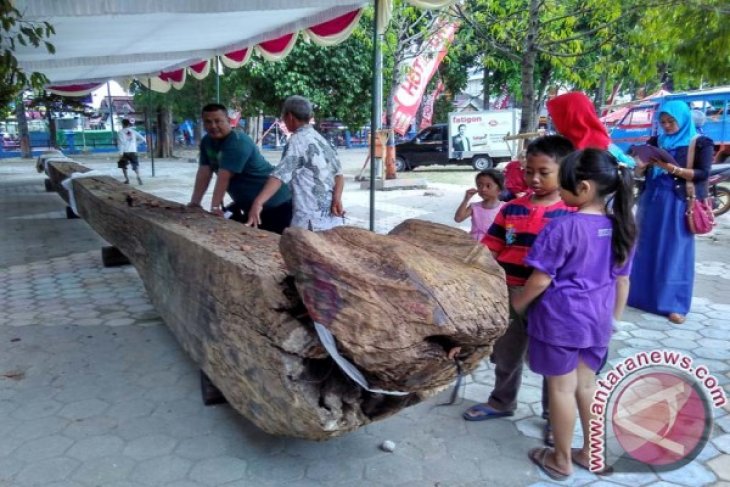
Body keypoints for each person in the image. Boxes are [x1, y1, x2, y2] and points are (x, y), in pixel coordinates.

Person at [512, 148, 636, 480]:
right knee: (586, 387)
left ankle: (561, 459)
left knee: (561, 390)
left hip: (561, 322)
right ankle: (591, 453)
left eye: (563, 184)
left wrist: (517, 305)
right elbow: (622, 280)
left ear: (583, 189)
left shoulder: (563, 228)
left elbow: (540, 280)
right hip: (598, 322)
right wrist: (615, 321)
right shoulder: (622, 227)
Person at [462, 135, 576, 449]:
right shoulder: (512, 208)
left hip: (551, 300)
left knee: (551, 360)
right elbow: (492, 248)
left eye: (544, 172)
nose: (534, 178)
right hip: (510, 293)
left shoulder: (571, 213)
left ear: (565, 171)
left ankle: (554, 417)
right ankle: (502, 401)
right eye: (529, 171)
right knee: (506, 354)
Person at [627, 100, 714, 324]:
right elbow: (639, 169)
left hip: (678, 203)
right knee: (645, 247)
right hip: (651, 199)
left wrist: (670, 168)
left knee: (674, 252)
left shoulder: (701, 143)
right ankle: (640, 297)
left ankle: (674, 305)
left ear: (683, 119)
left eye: (671, 121)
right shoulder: (656, 141)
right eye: (663, 121)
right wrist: (640, 164)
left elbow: (703, 174)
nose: (666, 126)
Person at [188, 103, 292, 235]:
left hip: (276, 203)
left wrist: (214, 208)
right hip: (249, 206)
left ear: (228, 120)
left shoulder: (238, 141)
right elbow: (204, 172)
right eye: (208, 122)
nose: (213, 126)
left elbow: (223, 177)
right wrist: (195, 203)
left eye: (218, 121)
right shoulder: (206, 142)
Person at [247, 96, 345, 231]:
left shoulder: (297, 141)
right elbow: (339, 175)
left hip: (310, 223)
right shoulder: (321, 139)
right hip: (332, 221)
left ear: (290, 117)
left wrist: (258, 202)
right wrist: (337, 199)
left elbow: (280, 176)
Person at [546, 91, 635, 167]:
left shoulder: (596, 150)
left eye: (554, 116)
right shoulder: (573, 142)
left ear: (569, 117)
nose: (552, 120)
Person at [454, 169, 504, 242]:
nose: (483, 189)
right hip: (474, 244)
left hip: (493, 246)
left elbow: (511, 230)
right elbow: (458, 219)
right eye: (479, 185)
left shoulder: (505, 208)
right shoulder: (475, 207)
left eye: (488, 186)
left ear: (499, 189)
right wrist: (466, 199)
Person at [117, 119, 146, 185]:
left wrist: (120, 154)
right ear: (129, 124)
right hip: (133, 151)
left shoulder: (121, 132)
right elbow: (143, 139)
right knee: (135, 165)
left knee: (123, 166)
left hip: (125, 152)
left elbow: (121, 144)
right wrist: (136, 144)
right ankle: (138, 176)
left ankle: (127, 179)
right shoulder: (133, 131)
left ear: (122, 124)